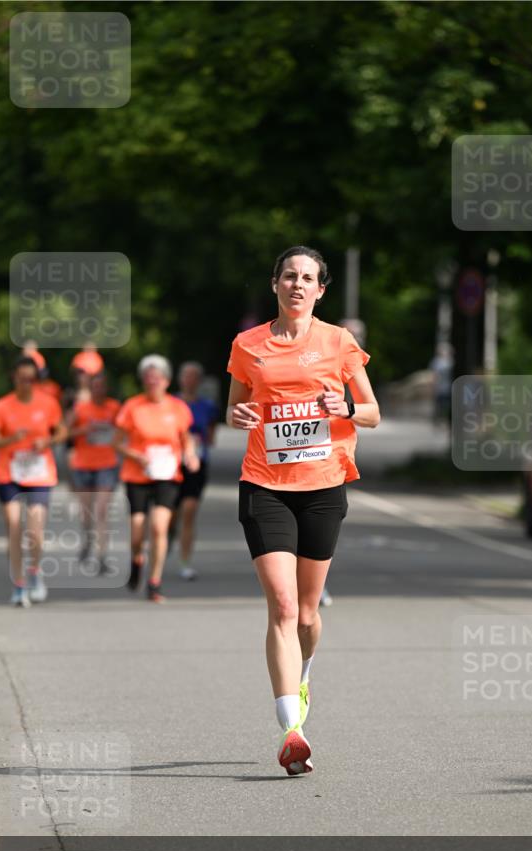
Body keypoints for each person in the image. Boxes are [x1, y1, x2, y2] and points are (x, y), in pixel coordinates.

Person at [226, 245, 380, 775]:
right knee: (284, 609)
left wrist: (349, 408)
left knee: (309, 616)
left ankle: (304, 671)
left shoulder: (338, 342)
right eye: (288, 275)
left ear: (320, 290)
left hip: (321, 486)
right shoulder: (249, 345)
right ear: (275, 284)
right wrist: (239, 415)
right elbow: (234, 408)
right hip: (264, 484)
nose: (297, 284)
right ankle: (291, 729)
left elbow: (373, 413)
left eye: (307, 278)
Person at [114, 355, 199, 603]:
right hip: (137, 474)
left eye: (157, 380)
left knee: (159, 526)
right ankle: (137, 557)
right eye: (148, 380)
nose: (152, 384)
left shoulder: (178, 408)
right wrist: (136, 456)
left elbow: (187, 437)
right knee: (138, 533)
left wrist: (190, 455)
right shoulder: (132, 407)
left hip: (167, 473)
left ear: (167, 381)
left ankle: (154, 581)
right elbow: (117, 442)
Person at [0, 356, 67, 606]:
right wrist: (10, 440)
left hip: (39, 473)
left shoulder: (49, 403)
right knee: (14, 527)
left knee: (35, 530)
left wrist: (48, 442)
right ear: (14, 378)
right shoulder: (2, 406)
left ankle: (35, 574)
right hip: (9, 472)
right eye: (22, 379)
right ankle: (18, 584)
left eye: (31, 379)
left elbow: (62, 431)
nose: (26, 383)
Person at [66, 370, 121, 572]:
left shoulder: (115, 408)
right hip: (83, 465)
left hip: (107, 464)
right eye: (94, 386)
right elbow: (63, 431)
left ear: (106, 388)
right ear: (90, 389)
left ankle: (102, 556)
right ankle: (87, 541)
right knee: (87, 513)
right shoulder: (80, 408)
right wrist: (82, 431)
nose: (98, 390)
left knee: (102, 511)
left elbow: (125, 431)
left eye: (102, 386)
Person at [172, 361, 220, 580]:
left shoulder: (207, 406)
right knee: (170, 516)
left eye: (194, 376)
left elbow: (211, 437)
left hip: (197, 463)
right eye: (186, 376)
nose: (189, 380)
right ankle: (168, 539)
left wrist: (195, 443)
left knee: (189, 511)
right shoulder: (170, 403)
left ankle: (185, 562)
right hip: (170, 464)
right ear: (180, 379)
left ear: (199, 381)